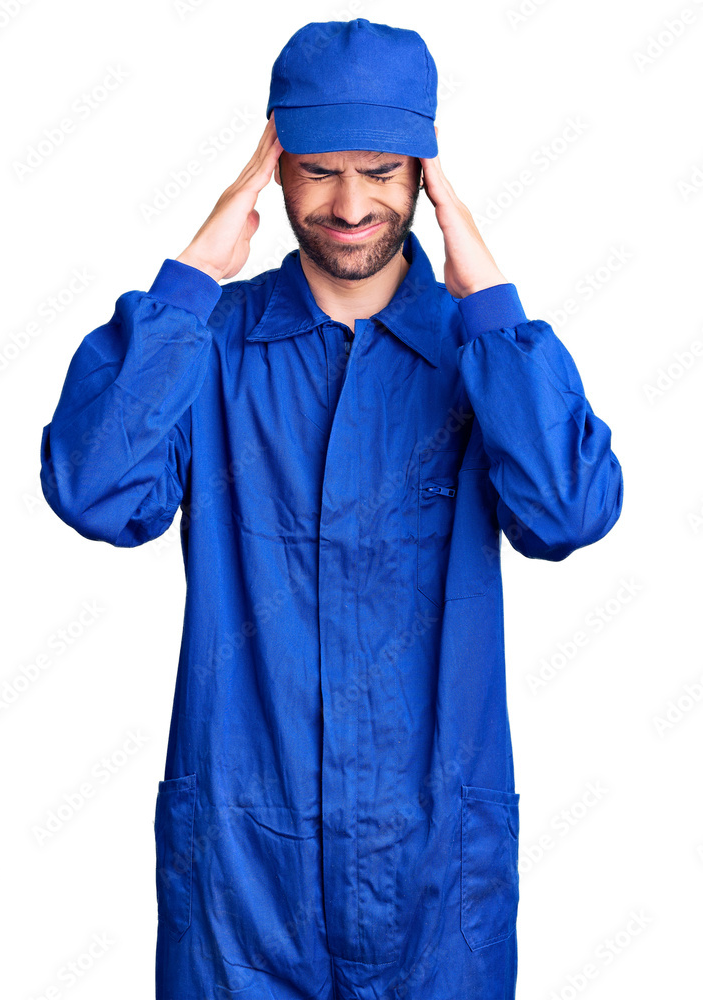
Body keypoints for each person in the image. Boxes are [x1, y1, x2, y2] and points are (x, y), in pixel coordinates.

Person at [39, 18, 623, 1000]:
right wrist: (191, 276)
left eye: (382, 169)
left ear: (423, 177)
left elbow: (565, 511)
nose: (349, 204)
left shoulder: (478, 350)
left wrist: (488, 297)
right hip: (240, 873)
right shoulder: (209, 346)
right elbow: (96, 491)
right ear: (274, 169)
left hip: (435, 869)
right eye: (316, 171)